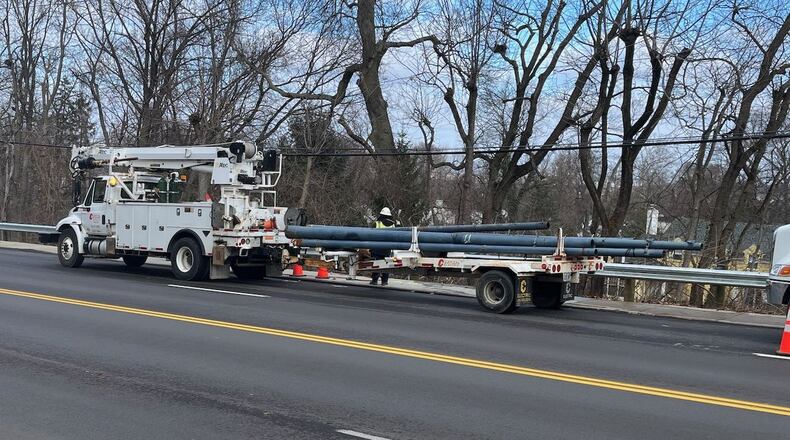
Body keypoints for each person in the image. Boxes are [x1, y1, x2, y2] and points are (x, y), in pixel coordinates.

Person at [370, 207, 395, 286]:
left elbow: (370, 235)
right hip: (387, 248)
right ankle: (384, 281)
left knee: (376, 264)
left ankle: (374, 280)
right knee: (386, 264)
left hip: (377, 248)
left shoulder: (377, 223)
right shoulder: (393, 225)